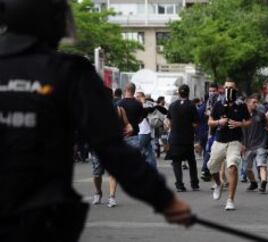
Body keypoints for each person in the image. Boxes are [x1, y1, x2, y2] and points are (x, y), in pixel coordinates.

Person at [0, 1, 192, 241]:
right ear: (52, 21)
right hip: (39, 221)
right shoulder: (69, 72)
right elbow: (110, 147)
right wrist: (165, 200)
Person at [207, 79, 251, 210]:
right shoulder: (218, 103)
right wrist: (219, 122)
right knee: (211, 166)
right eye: (226, 87)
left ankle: (230, 200)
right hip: (220, 139)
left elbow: (249, 121)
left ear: (236, 89)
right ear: (223, 89)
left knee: (232, 167)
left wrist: (240, 124)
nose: (228, 90)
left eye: (231, 88)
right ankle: (219, 184)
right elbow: (210, 121)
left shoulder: (241, 104)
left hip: (235, 140)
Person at [166, 85, 200, 192]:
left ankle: (179, 185)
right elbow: (195, 123)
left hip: (175, 138)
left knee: (176, 161)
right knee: (191, 161)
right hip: (187, 138)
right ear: (188, 93)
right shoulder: (191, 106)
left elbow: (168, 122)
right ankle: (194, 184)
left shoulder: (172, 105)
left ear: (178, 93)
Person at [242, 94, 268, 193]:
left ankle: (263, 183)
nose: (256, 104)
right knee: (247, 168)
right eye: (254, 102)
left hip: (260, 144)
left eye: (257, 102)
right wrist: (241, 144)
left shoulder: (261, 115)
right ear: (247, 104)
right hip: (248, 146)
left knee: (262, 164)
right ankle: (253, 183)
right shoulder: (242, 116)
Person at [118, 83, 145, 149]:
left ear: (125, 90)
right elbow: (141, 119)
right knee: (134, 158)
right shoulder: (139, 104)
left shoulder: (119, 103)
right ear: (134, 91)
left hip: (123, 135)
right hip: (135, 135)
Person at [136, 91, 158, 169]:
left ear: (143, 97)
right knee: (149, 151)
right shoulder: (138, 104)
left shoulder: (148, 104)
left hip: (144, 132)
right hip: (144, 131)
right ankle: (152, 167)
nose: (136, 98)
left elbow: (151, 109)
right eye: (136, 96)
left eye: (138, 96)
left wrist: (143, 102)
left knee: (136, 150)